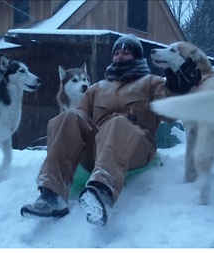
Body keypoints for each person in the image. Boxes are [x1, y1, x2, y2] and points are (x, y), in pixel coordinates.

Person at [20, 34, 201, 225]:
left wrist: (177, 90)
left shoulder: (152, 82)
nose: (119, 56)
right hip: (98, 149)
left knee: (117, 122)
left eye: (126, 53)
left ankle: (102, 194)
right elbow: (79, 119)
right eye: (116, 53)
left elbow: (170, 113)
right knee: (68, 117)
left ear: (138, 57)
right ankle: (52, 194)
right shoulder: (97, 88)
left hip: (136, 147)